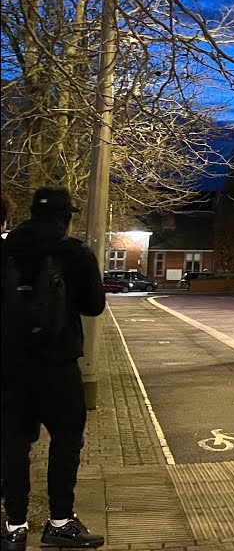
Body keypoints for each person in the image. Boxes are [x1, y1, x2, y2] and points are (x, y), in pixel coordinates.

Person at [2, 187, 106, 550]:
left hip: (9, 367)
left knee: (12, 443)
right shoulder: (75, 252)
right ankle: (59, 523)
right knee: (65, 441)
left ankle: (14, 527)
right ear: (66, 216)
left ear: (30, 213)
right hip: (58, 365)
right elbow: (94, 307)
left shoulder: (5, 248)